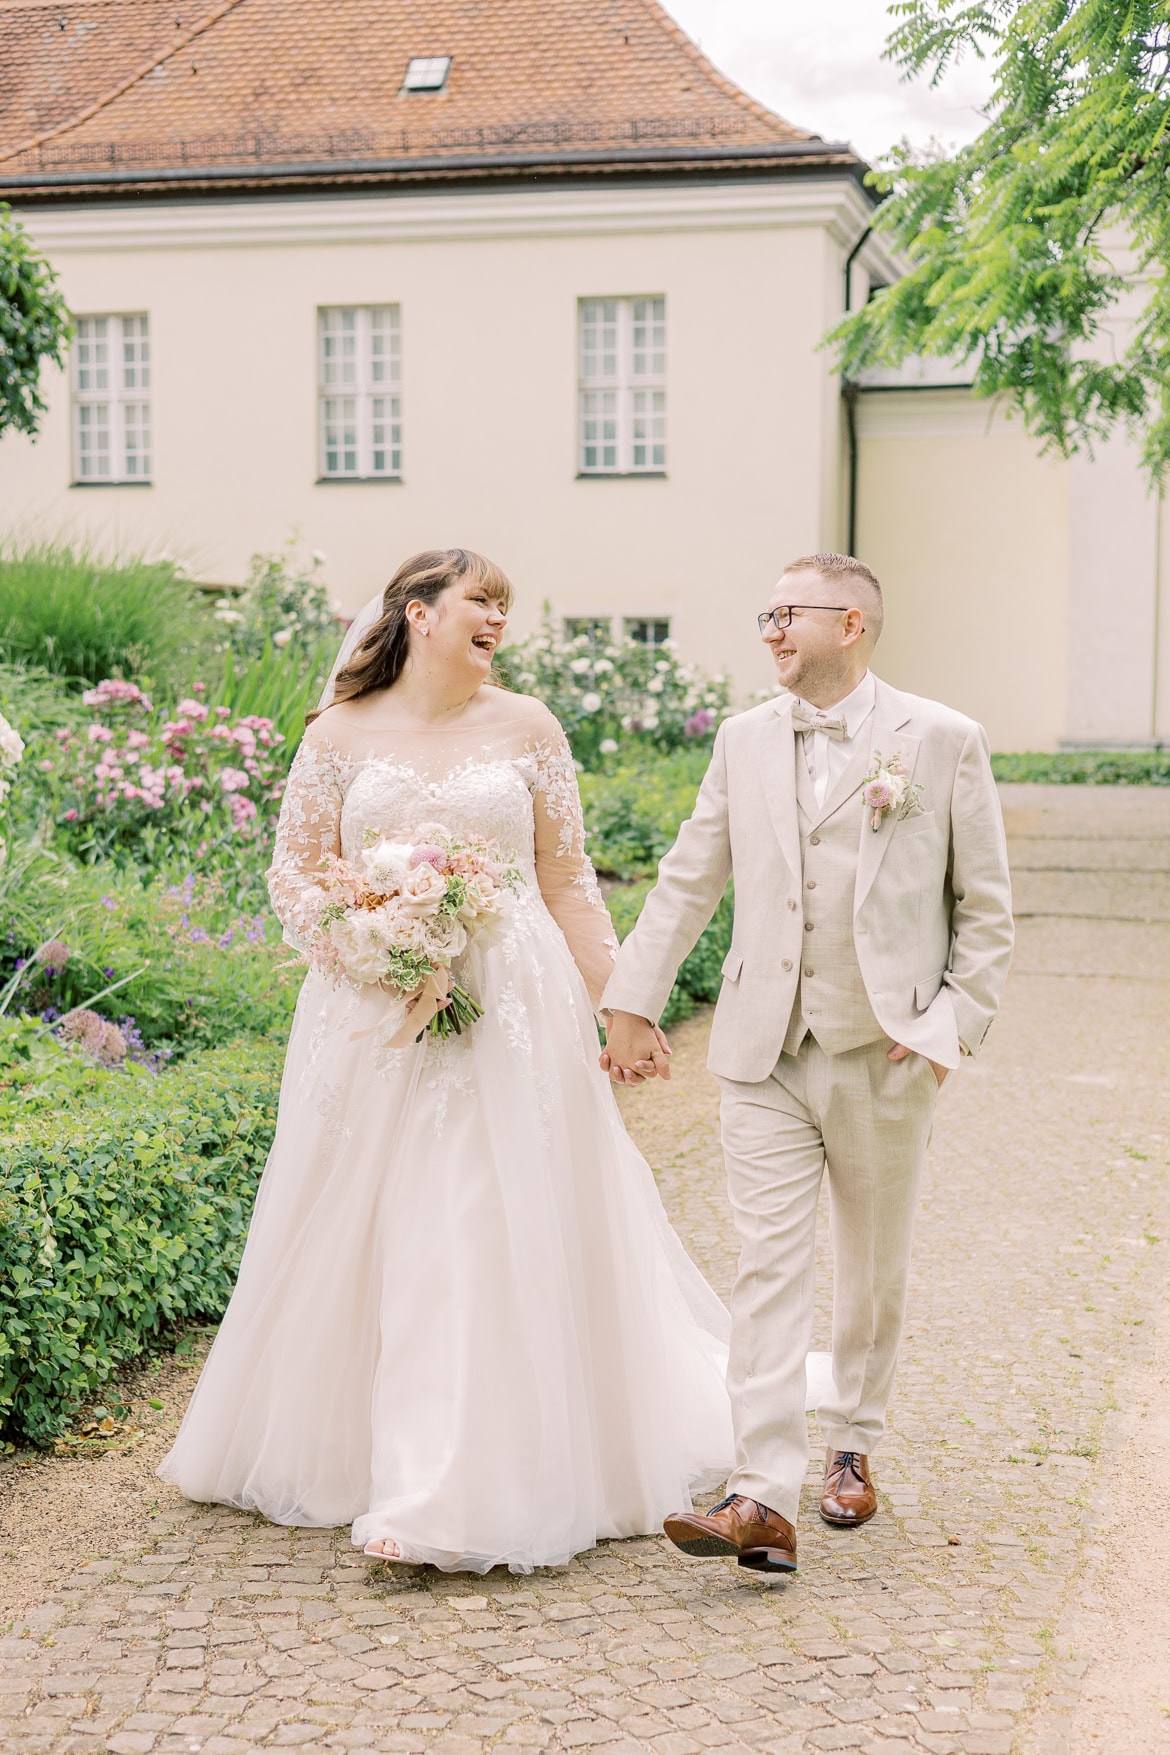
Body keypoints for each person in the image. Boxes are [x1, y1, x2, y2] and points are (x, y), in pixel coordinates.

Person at [158, 548, 733, 1573]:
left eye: (506, 604)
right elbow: (294, 875)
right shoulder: (338, 734)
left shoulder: (529, 729)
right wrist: (368, 945)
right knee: (375, 1219)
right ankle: (361, 1455)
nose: (499, 618)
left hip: (511, 1006)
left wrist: (624, 1006)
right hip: (370, 1014)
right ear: (419, 614)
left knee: (474, 1216)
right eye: (481, 601)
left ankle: (447, 1486)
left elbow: (567, 882)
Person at [600, 552, 1014, 1576]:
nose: (772, 631)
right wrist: (629, 1001)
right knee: (766, 1266)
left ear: (854, 625)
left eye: (790, 614)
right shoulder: (743, 740)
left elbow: (987, 911)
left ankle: (855, 1445)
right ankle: (760, 1492)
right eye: (767, 614)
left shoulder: (943, 740)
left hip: (885, 1048)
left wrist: (949, 1033)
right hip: (762, 1046)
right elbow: (690, 876)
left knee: (872, 1269)